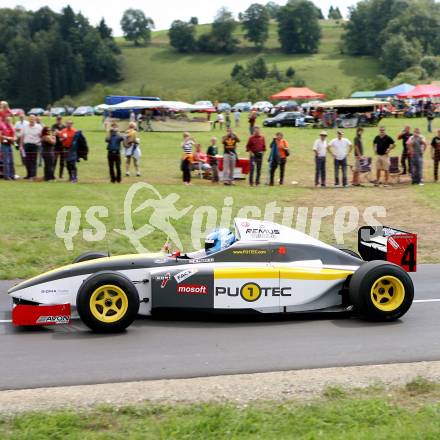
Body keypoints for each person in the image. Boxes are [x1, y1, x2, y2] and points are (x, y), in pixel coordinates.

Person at [20, 115, 42, 180]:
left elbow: (41, 136)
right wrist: (21, 145)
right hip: (26, 145)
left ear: (35, 119)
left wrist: (39, 143)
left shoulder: (39, 127)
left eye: (33, 118)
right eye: (30, 118)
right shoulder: (25, 127)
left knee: (33, 161)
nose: (31, 119)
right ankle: (28, 175)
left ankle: (33, 175)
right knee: (27, 161)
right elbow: (22, 137)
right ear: (28, 119)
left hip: (35, 145)